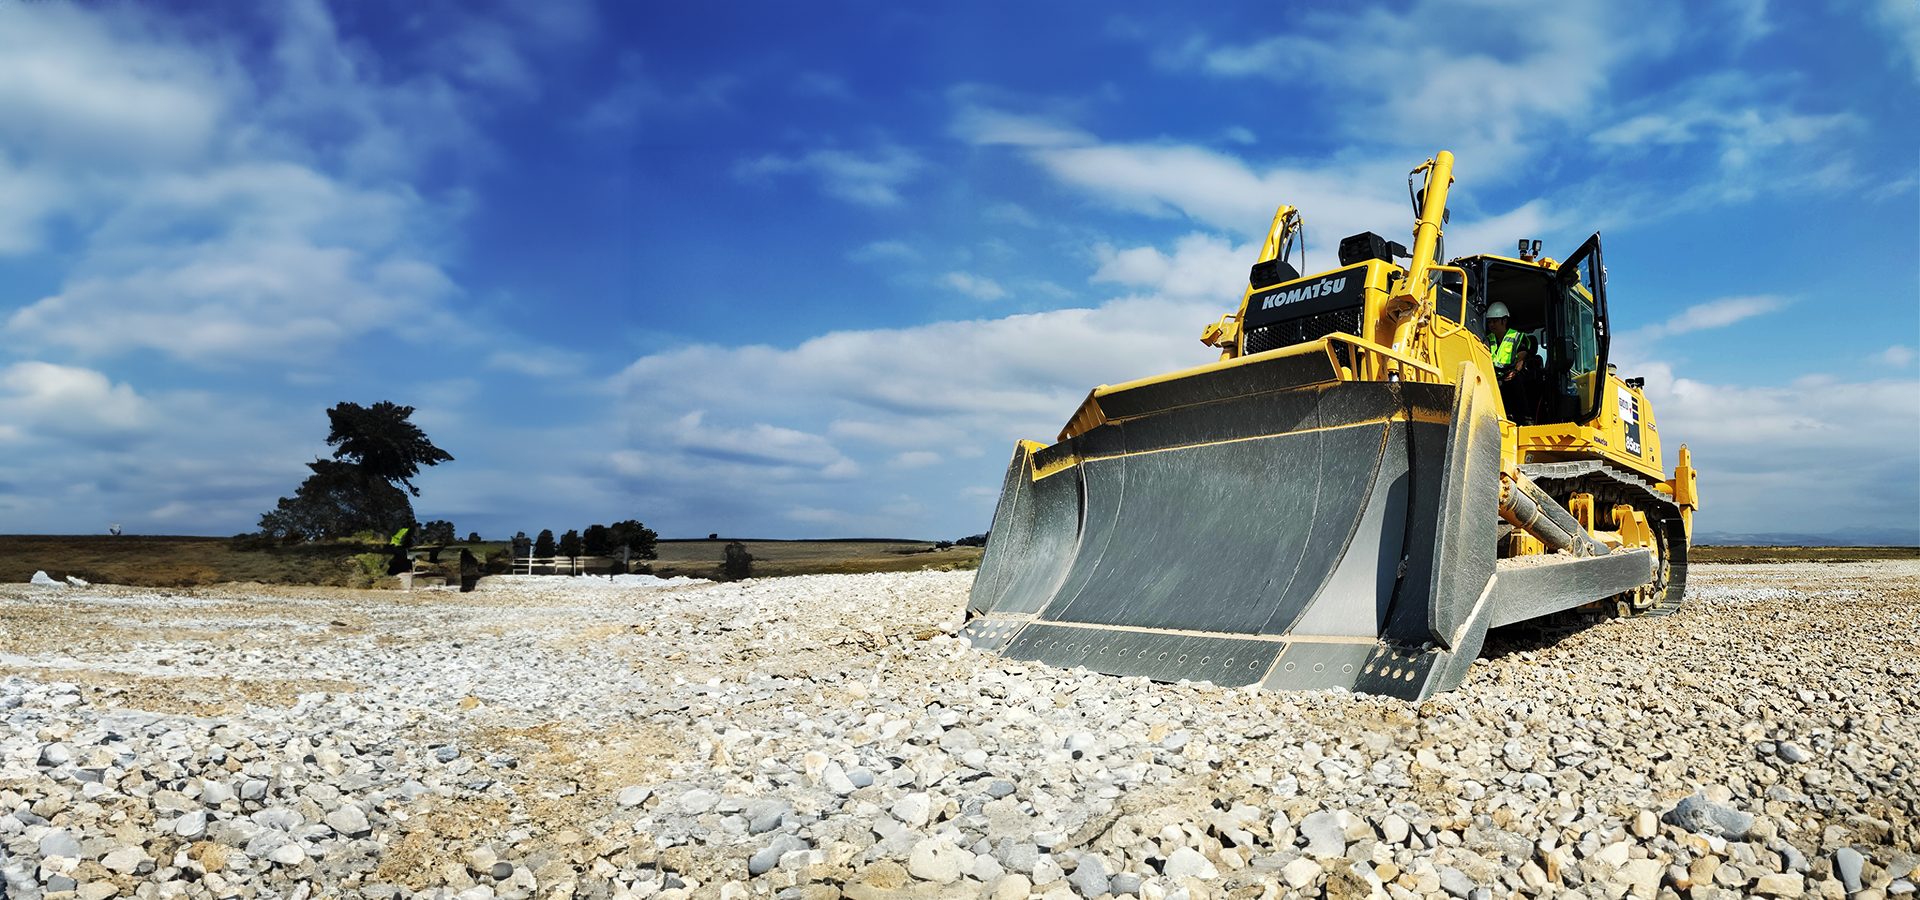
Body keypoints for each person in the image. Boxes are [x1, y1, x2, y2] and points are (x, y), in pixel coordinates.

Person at [1482, 302, 1536, 422]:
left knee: (1515, 382)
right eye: (1489, 321)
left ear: (1504, 320)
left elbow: (1522, 355)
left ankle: (1525, 418)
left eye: (1495, 321)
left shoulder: (1516, 336)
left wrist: (1515, 371)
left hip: (1511, 375)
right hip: (1494, 376)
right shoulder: (1487, 339)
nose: (1491, 324)